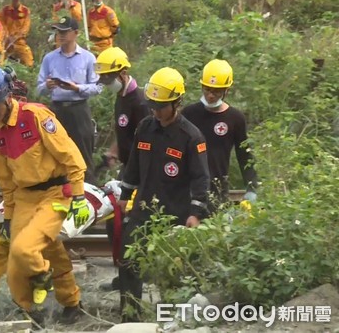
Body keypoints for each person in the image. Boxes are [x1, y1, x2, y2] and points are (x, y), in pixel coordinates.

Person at [0, 66, 86, 326]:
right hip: (24, 197)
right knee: (19, 264)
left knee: (26, 251)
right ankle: (38, 313)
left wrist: (78, 196)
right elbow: (6, 181)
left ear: (6, 97)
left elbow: (71, 156)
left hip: (55, 194)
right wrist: (10, 217)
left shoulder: (36, 117)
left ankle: (43, 275)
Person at [116, 67, 210, 322]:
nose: (155, 112)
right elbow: (133, 165)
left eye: (161, 107)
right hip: (143, 210)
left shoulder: (191, 137)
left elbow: (201, 178)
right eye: (152, 106)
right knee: (128, 261)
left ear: (176, 103)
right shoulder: (145, 128)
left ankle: (173, 319)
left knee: (172, 271)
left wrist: (195, 213)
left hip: (174, 215)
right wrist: (125, 194)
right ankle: (130, 317)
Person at [94, 46, 150, 291]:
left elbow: (146, 141)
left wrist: (136, 177)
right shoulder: (121, 98)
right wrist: (114, 152)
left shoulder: (140, 102)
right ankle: (124, 275)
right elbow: (125, 133)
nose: (106, 83)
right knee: (113, 221)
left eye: (108, 78)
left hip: (141, 172)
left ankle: (137, 275)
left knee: (130, 223)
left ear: (123, 73)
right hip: (128, 168)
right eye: (103, 78)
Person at [181, 59, 258, 205]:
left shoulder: (235, 118)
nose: (210, 95)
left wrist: (251, 186)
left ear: (226, 91)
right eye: (207, 89)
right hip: (188, 187)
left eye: (216, 91)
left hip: (217, 188)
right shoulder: (189, 114)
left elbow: (244, 154)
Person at [37, 16, 102, 184]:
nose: (61, 35)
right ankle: (58, 192)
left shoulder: (88, 58)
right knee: (55, 152)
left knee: (83, 153)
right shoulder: (49, 58)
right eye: (59, 31)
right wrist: (48, 85)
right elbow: (38, 88)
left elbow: (98, 87)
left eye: (65, 31)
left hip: (79, 109)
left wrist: (77, 88)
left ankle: (89, 192)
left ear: (75, 33)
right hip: (56, 109)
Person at [0, 0, 34, 67]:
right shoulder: (5, 10)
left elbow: (25, 28)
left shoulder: (25, 11)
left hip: (19, 42)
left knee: (29, 62)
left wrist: (16, 37)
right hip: (5, 41)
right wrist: (7, 36)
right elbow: (1, 24)